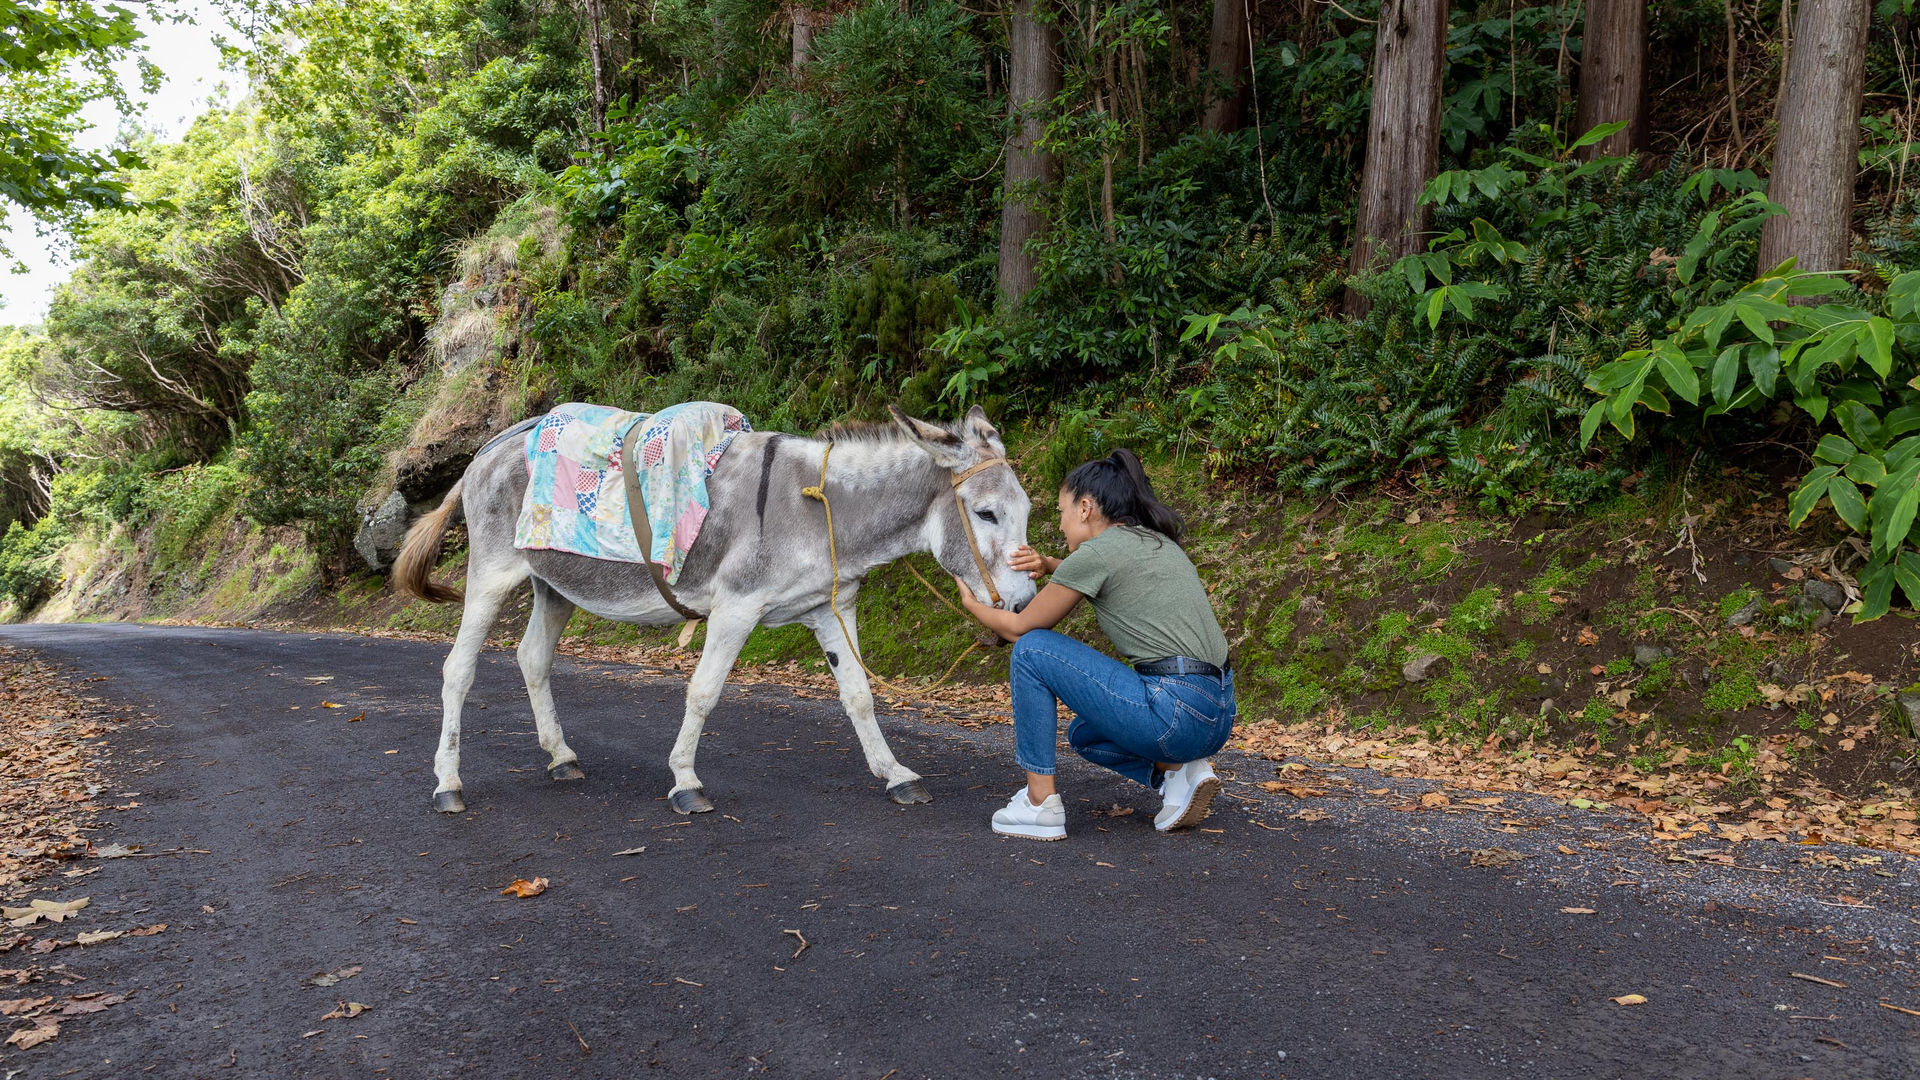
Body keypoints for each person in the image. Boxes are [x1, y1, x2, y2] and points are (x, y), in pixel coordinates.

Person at [953, 449, 1235, 840]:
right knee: (1085, 735)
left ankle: (1039, 804)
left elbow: (1020, 628)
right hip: (1217, 716)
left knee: (1032, 649)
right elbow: (1101, 570)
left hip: (1174, 714)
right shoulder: (1154, 542)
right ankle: (1177, 775)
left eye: (1062, 511)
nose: (1061, 524)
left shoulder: (1097, 553)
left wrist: (971, 604)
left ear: (1085, 508)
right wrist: (1051, 564)